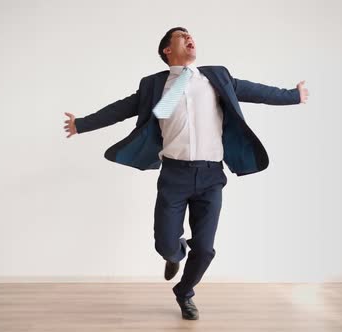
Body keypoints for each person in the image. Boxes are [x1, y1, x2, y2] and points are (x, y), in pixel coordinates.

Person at [63, 27, 309, 320]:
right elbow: (121, 109)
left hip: (211, 177)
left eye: (191, 34)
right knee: (165, 243)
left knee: (205, 250)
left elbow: (257, 91)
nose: (190, 37)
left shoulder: (216, 77)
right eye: (182, 35)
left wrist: (294, 95)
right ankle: (174, 253)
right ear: (168, 50)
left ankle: (184, 292)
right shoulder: (154, 85)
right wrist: (82, 124)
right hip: (174, 176)